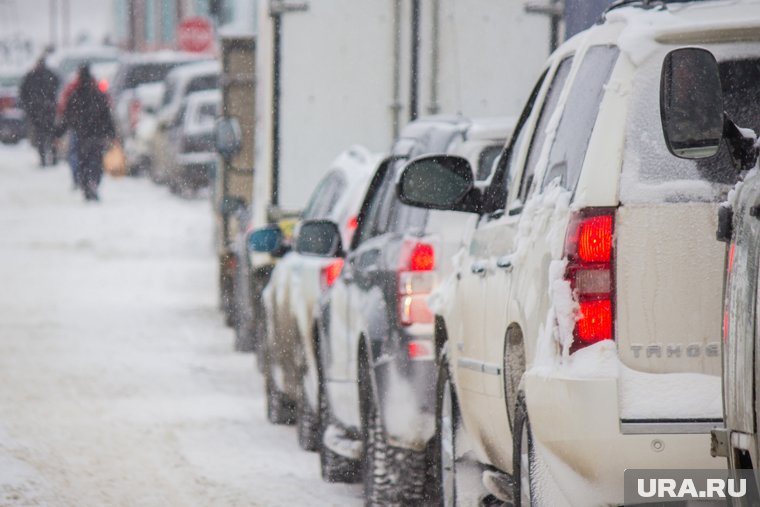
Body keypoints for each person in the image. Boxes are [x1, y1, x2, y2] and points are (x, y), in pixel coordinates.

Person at [58, 65, 115, 201]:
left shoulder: (75, 94)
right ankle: (93, 182)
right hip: (96, 135)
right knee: (96, 161)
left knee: (83, 161)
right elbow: (106, 114)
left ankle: (86, 184)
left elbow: (67, 115)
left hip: (81, 135)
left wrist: (59, 132)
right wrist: (111, 133)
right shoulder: (98, 93)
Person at [19, 56, 60, 166]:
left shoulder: (32, 76)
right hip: (47, 110)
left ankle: (44, 158)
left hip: (38, 111)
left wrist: (28, 105)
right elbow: (57, 86)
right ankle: (52, 157)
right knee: (50, 135)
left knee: (41, 136)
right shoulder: (49, 75)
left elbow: (23, 92)